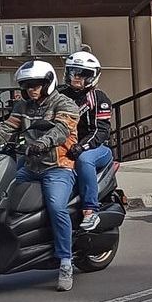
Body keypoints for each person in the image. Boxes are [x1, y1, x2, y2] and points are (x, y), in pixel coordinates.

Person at [0, 60, 80, 291]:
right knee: (0, 198)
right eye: (28, 85)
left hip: (58, 167)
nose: (32, 89)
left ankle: (65, 262)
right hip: (30, 168)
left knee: (56, 207)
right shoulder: (23, 106)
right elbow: (8, 127)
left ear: (48, 83)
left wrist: (41, 143)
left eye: (36, 84)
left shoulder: (65, 103)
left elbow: (61, 130)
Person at [57, 48, 113, 232]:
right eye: (73, 72)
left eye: (83, 74)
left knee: (84, 160)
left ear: (93, 76)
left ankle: (90, 210)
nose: (77, 77)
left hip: (96, 148)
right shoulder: (59, 94)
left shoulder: (99, 98)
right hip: (64, 145)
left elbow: (102, 131)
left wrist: (82, 146)